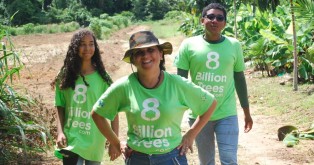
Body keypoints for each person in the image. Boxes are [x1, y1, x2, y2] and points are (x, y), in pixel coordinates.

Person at [91, 30, 217, 165]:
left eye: (151, 50)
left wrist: (191, 134)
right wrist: (116, 143)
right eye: (139, 52)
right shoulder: (124, 86)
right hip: (137, 159)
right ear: (133, 59)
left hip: (171, 158)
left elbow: (210, 103)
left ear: (161, 54)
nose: (145, 56)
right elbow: (97, 114)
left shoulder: (177, 84)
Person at [173, 3, 253, 165]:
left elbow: (239, 79)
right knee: (206, 161)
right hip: (199, 115)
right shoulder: (189, 45)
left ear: (225, 23)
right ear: (202, 20)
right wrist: (175, 115)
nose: (214, 20)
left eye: (220, 18)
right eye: (210, 17)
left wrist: (246, 112)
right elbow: (180, 83)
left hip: (227, 114)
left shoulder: (234, 45)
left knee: (229, 160)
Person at [51, 29, 119, 164]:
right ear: (75, 47)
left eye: (91, 43)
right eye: (82, 44)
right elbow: (60, 106)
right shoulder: (65, 75)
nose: (87, 48)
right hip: (71, 137)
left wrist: (114, 141)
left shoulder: (103, 78)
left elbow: (114, 111)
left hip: (94, 139)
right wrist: (60, 132)